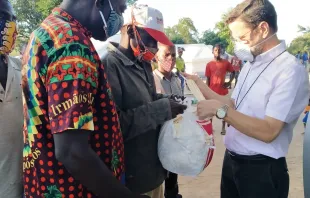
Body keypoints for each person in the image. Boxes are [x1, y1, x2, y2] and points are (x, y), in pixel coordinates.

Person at [21, 0, 149, 197]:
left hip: (45, 183)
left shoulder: (46, 31)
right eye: (120, 8)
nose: (120, 19)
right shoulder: (72, 46)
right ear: (99, 3)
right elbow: (72, 152)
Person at [185, 0, 309, 198]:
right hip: (232, 162)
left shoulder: (289, 70)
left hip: (261, 171)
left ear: (263, 28)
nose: (238, 44)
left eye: (242, 37)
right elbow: (232, 104)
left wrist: (219, 111)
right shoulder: (250, 65)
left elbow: (269, 131)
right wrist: (199, 85)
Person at [103, 4, 186, 198]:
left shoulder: (144, 65)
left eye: (157, 42)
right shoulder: (110, 66)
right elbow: (114, 125)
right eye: (150, 40)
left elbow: (149, 100)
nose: (154, 48)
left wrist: (169, 100)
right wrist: (163, 108)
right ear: (131, 30)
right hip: (131, 181)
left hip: (153, 171)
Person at [153, 43, 183, 198]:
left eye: (173, 55)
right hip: (158, 137)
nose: (171, 59)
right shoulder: (151, 80)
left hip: (176, 136)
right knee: (159, 176)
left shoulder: (178, 80)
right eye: (166, 55)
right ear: (156, 56)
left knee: (173, 176)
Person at [0, 1, 23, 197]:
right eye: (3, 18)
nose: (10, 26)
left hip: (25, 186)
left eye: (12, 19)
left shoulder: (22, 67)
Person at [205, 44, 235, 135]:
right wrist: (206, 91)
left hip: (222, 92)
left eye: (219, 50)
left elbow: (233, 72)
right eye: (215, 50)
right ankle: (210, 128)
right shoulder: (209, 64)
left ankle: (223, 128)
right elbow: (208, 79)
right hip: (212, 92)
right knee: (210, 111)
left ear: (221, 51)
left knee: (222, 111)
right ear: (212, 52)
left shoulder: (226, 63)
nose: (217, 52)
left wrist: (229, 82)